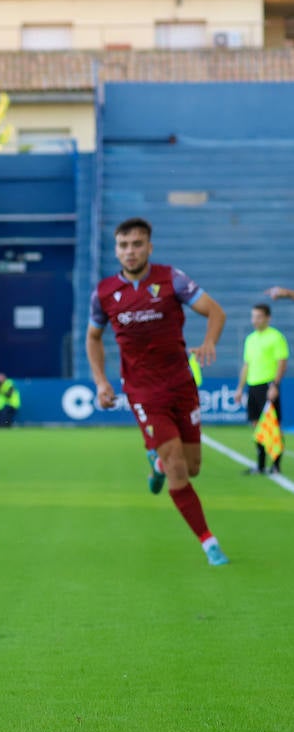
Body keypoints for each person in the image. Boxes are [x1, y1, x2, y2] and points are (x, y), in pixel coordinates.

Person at [86, 217, 229, 566]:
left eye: (136, 244)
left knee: (192, 466)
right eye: (123, 245)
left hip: (181, 384)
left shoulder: (171, 279)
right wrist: (102, 382)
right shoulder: (104, 293)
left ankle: (158, 463)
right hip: (143, 391)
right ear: (116, 249)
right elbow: (93, 337)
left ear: (149, 247)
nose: (129, 251)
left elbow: (215, 312)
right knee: (180, 468)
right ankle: (209, 542)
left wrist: (209, 341)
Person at [236, 302, 287, 475]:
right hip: (253, 386)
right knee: (256, 425)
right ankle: (260, 465)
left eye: (258, 317)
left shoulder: (276, 337)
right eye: (253, 317)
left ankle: (276, 465)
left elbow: (282, 362)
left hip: (267, 385)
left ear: (267, 318)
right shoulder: (250, 339)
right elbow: (246, 364)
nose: (254, 320)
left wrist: (275, 385)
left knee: (272, 425)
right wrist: (240, 388)